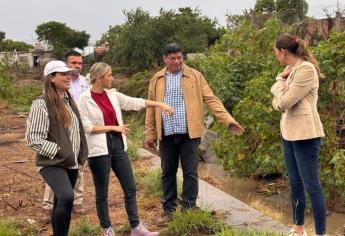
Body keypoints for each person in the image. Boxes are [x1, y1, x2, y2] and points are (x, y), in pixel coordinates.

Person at [145, 43, 244, 224]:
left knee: (190, 172)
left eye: (180, 57)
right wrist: (150, 133)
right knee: (167, 172)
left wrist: (229, 120)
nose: (177, 61)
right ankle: (169, 210)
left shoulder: (195, 76)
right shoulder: (157, 79)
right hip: (166, 133)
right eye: (172, 58)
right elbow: (151, 108)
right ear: (165, 59)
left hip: (189, 133)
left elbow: (212, 100)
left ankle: (189, 207)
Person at [77, 62, 173, 236]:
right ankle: (107, 229)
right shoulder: (84, 98)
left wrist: (159, 104)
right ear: (99, 78)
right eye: (110, 75)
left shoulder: (112, 95)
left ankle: (136, 227)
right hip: (99, 149)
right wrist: (114, 128)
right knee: (102, 193)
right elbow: (86, 127)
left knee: (130, 188)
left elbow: (134, 102)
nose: (112, 78)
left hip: (118, 146)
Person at [271, 33, 326, 236]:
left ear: (283, 52)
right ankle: (298, 228)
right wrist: (281, 93)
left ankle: (321, 233)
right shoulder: (293, 71)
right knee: (295, 184)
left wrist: (278, 82)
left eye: (276, 53)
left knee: (312, 186)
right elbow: (283, 100)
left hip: (306, 136)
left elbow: (284, 102)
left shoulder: (306, 69)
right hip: (289, 134)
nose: (276, 56)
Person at [26, 60, 88, 236]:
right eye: (63, 74)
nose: (68, 76)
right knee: (67, 196)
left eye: (69, 73)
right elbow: (33, 139)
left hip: (71, 161)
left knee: (61, 202)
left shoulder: (68, 101)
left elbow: (77, 132)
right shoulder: (41, 103)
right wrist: (60, 150)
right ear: (51, 78)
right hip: (52, 162)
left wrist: (79, 154)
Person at [42, 51, 89, 223]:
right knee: (57, 174)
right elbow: (35, 137)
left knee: (78, 171)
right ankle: (47, 207)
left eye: (79, 63)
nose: (76, 67)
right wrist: (58, 149)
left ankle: (77, 202)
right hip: (60, 132)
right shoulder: (50, 92)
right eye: (73, 63)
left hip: (77, 129)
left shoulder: (85, 83)